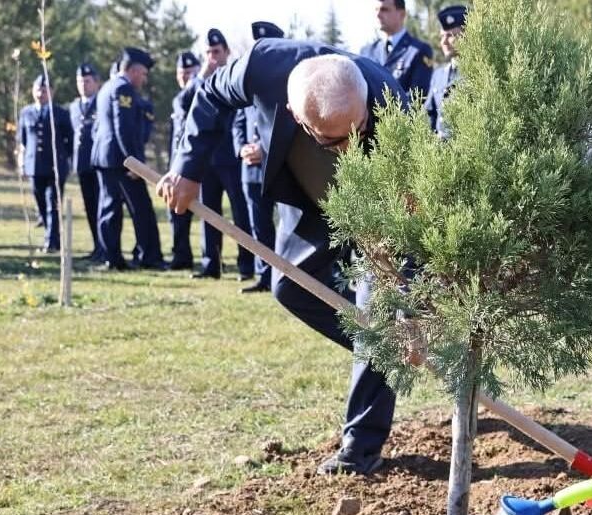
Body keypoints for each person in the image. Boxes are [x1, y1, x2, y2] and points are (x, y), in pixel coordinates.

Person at [159, 40, 408, 476]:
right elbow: (210, 94)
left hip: (378, 207)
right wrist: (188, 167)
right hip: (309, 198)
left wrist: (407, 302)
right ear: (297, 115)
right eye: (335, 141)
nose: (348, 149)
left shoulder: (394, 105)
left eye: (358, 131)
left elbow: (415, 211)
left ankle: (360, 448)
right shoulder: (261, 67)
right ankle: (379, 353)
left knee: (378, 312)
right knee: (289, 287)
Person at [189, 28, 255, 281]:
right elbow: (185, 104)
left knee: (240, 213)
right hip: (208, 159)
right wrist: (201, 75)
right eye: (208, 53)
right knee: (209, 214)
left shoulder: (235, 75)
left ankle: (247, 265)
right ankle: (211, 264)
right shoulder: (201, 81)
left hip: (232, 158)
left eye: (216, 52)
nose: (213, 57)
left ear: (226, 52)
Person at [91, 47, 164, 271]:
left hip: (105, 157)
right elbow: (124, 128)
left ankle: (111, 257)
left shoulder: (107, 87)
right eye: (143, 74)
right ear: (132, 70)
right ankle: (147, 256)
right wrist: (134, 163)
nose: (144, 79)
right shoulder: (124, 89)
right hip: (120, 161)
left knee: (109, 208)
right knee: (141, 209)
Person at [233, 19, 288, 294]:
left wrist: (265, 151)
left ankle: (287, 276)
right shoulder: (246, 81)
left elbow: (290, 126)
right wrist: (241, 146)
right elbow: (238, 121)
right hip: (251, 168)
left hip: (278, 167)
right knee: (259, 226)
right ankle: (264, 275)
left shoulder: (288, 81)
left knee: (288, 225)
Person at [17, 75, 74, 254]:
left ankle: (52, 241)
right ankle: (49, 232)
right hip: (34, 165)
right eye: (38, 90)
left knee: (53, 204)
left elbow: (70, 140)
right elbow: (23, 141)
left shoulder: (61, 113)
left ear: (52, 92)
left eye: (45, 90)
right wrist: (22, 163)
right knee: (40, 202)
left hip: (55, 166)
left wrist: (67, 161)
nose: (41, 93)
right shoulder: (26, 112)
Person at [167, 51, 202, 270]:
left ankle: (212, 259)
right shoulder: (177, 99)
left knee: (206, 213)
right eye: (181, 73)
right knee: (176, 212)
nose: (185, 76)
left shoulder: (200, 93)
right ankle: (181, 256)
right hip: (177, 162)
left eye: (189, 72)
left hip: (198, 164)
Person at [359, 0, 434, 100]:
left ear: (402, 14)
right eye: (376, 10)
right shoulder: (367, 52)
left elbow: (418, 98)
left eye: (384, 9)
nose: (378, 15)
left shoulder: (419, 51)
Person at [69, 63, 103, 262]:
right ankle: (95, 245)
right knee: (90, 207)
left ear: (96, 83)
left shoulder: (101, 102)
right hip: (82, 165)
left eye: (87, 81)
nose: (83, 85)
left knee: (101, 206)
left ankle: (104, 246)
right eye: (80, 81)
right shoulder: (74, 106)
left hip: (97, 162)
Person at [425, 5, 467, 138]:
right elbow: (429, 117)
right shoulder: (438, 75)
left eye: (450, 35)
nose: (443, 42)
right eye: (442, 36)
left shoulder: (478, 72)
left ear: (465, 36)